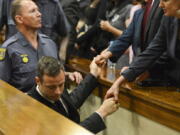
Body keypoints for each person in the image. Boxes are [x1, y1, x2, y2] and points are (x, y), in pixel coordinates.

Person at [102, 0, 180, 101]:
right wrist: (119, 81)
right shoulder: (168, 18)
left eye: (165, 0)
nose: (160, 5)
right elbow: (152, 50)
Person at [0, 0, 82, 92]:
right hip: (20, 103)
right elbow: (2, 88)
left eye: (38, 10)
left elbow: (65, 32)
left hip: (48, 100)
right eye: (32, 11)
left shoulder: (50, 44)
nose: (39, 14)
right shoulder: (9, 49)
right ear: (19, 19)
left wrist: (66, 74)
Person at [27, 56, 119, 134]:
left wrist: (93, 74)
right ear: (38, 81)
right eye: (52, 87)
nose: (58, 92)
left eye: (61, 85)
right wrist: (101, 113)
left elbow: (70, 103)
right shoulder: (33, 108)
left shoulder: (55, 85)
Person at [95, 0, 167, 85]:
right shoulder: (139, 13)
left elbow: (161, 46)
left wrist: (146, 70)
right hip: (139, 74)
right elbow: (125, 37)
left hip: (162, 75)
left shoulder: (164, 7)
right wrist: (107, 54)